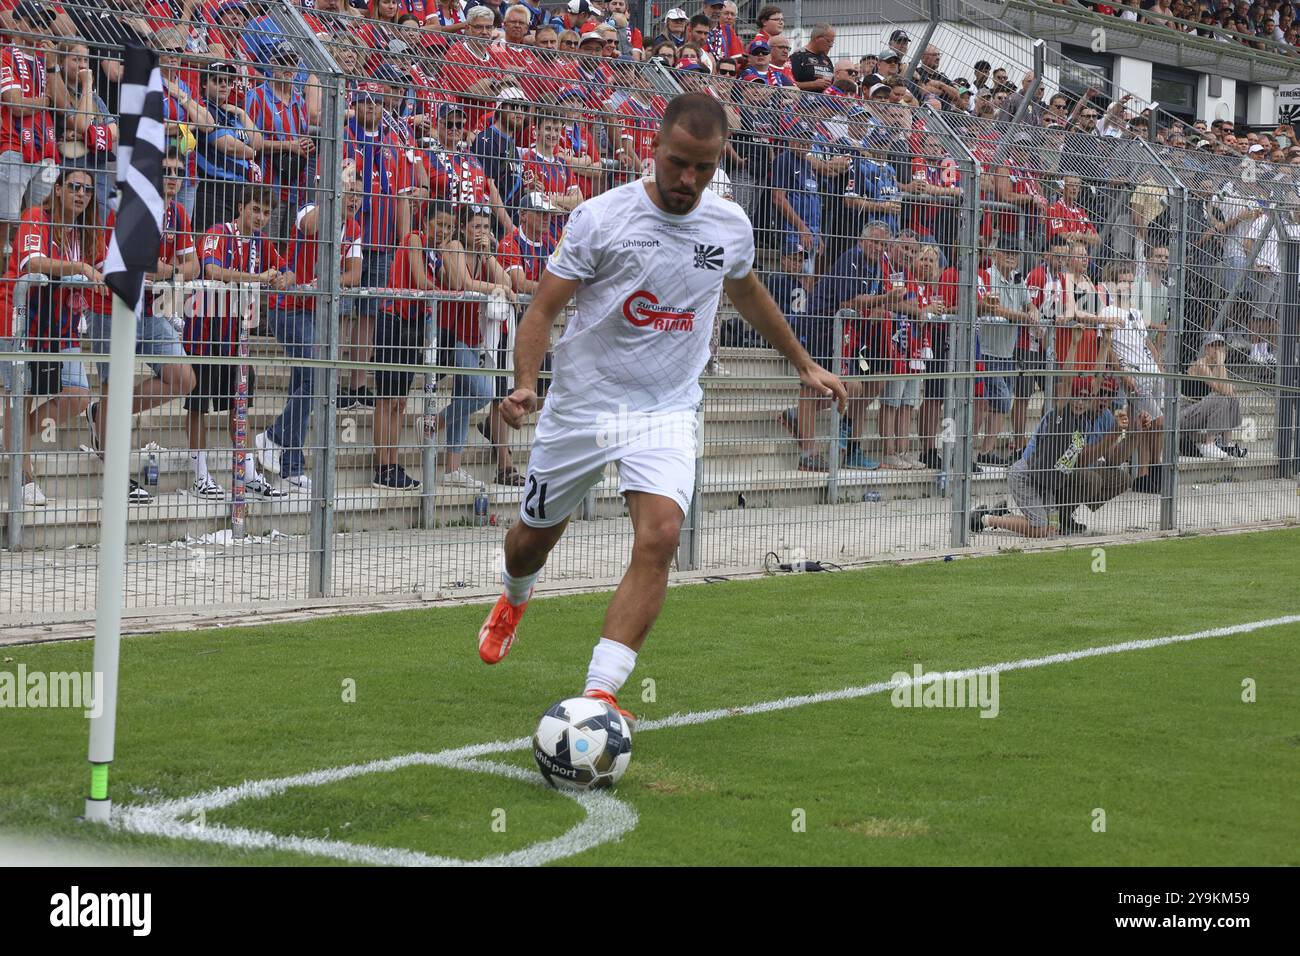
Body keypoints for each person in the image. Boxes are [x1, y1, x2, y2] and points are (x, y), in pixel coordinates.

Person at [476, 93, 847, 724]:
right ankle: (514, 597)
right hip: (584, 407)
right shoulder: (600, 217)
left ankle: (598, 697)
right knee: (530, 544)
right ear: (654, 147)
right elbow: (541, 309)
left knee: (661, 537)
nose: (687, 180)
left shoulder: (729, 224)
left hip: (667, 408)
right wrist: (524, 382)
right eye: (677, 163)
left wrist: (803, 361)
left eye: (703, 168)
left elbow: (747, 290)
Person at [85, 152, 198, 505]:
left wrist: (167, 271)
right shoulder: (131, 205)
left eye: (179, 172)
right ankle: (115, 473)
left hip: (150, 310)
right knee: (109, 386)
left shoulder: (177, 213)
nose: (173, 177)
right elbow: (129, 265)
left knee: (184, 378)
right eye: (166, 170)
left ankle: (104, 412)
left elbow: (192, 265)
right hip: (112, 308)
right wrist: (166, 270)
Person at [255, 169, 365, 493]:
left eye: (358, 193)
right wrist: (332, 188)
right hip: (286, 307)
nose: (354, 198)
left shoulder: (354, 228)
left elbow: (354, 273)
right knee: (316, 377)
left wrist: (331, 281)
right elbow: (315, 225)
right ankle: (272, 437)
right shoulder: (308, 210)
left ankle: (290, 465)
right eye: (348, 190)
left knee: (305, 382)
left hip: (311, 312)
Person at [0, 165, 99, 507]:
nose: (81, 195)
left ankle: (13, 434)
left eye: (87, 190)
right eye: (74, 186)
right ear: (57, 189)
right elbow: (32, 263)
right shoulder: (35, 216)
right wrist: (80, 269)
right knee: (22, 394)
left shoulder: (80, 231)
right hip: (21, 321)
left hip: (60, 326)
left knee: (79, 394)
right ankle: (24, 476)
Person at [185, 184, 292, 501]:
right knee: (198, 404)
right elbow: (212, 269)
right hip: (204, 333)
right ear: (242, 207)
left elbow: (286, 270)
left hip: (236, 337)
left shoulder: (261, 242)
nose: (261, 217)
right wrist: (258, 278)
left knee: (240, 402)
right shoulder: (219, 232)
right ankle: (200, 474)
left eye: (267, 213)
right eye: (256, 209)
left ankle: (245, 473)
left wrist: (281, 278)